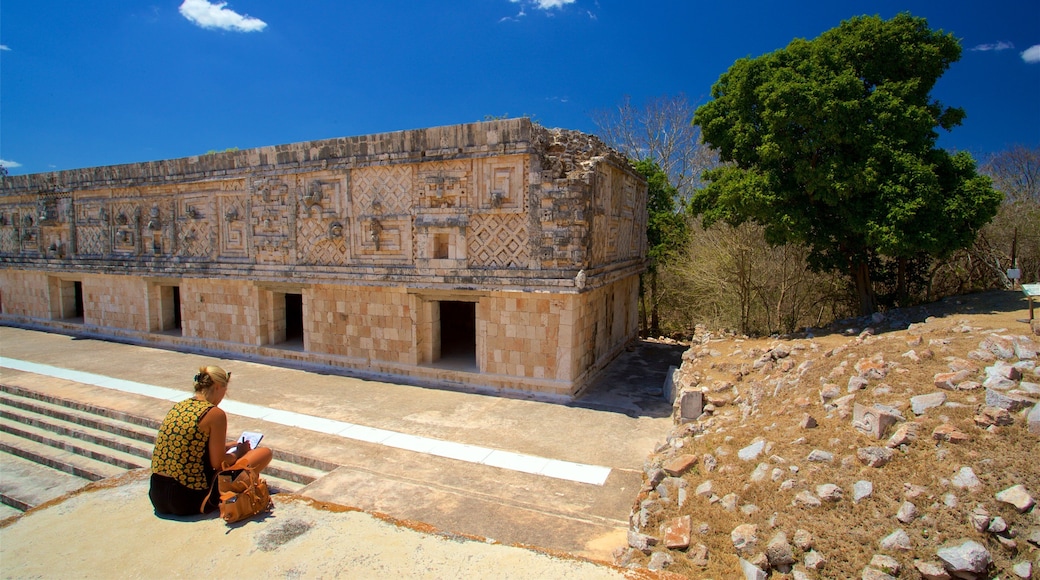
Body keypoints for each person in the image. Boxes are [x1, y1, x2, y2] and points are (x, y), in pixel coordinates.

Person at [149, 365, 273, 516]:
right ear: (218, 386)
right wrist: (239, 452)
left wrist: (226, 446)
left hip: (158, 495)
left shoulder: (180, 406)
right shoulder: (214, 413)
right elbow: (218, 463)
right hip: (189, 500)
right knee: (264, 453)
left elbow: (191, 447)